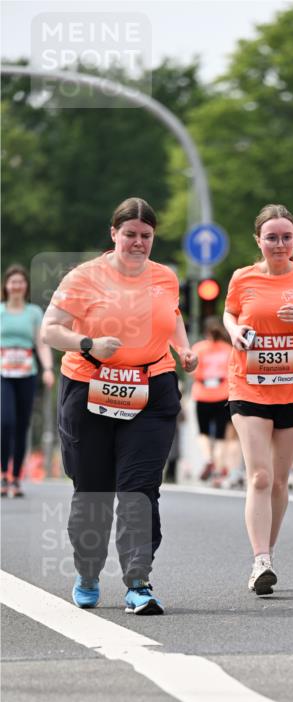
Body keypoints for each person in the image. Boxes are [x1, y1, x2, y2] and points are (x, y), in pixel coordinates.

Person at [42, 197, 198, 614]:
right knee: (92, 489)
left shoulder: (165, 277)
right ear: (114, 234)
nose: (138, 242)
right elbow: (50, 330)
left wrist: (183, 349)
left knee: (139, 488)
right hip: (89, 386)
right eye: (130, 234)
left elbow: (172, 316)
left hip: (151, 387)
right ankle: (88, 572)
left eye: (146, 235)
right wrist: (88, 343)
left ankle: (138, 582)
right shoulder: (84, 277)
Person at [223, 203, 293, 595]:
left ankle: (267, 552)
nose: (279, 244)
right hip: (249, 385)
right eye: (271, 238)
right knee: (260, 476)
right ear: (258, 240)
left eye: (286, 237)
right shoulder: (243, 278)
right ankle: (261, 560)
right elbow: (230, 313)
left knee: (280, 481)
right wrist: (234, 331)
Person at [1, 264, 55, 497]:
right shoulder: (0, 311)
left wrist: (48, 369)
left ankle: (15, 477)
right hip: (3, 373)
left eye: (20, 282)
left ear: (26, 286)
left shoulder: (33, 312)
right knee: (6, 422)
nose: (17, 286)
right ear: (6, 285)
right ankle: (3, 473)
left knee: (22, 425)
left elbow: (41, 344)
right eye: (13, 281)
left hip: (27, 373)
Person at [191, 315, 238, 487]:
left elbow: (192, 371)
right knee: (220, 436)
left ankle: (208, 458)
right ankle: (218, 471)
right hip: (222, 395)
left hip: (202, 394)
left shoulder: (198, 348)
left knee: (203, 432)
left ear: (205, 331)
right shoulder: (228, 349)